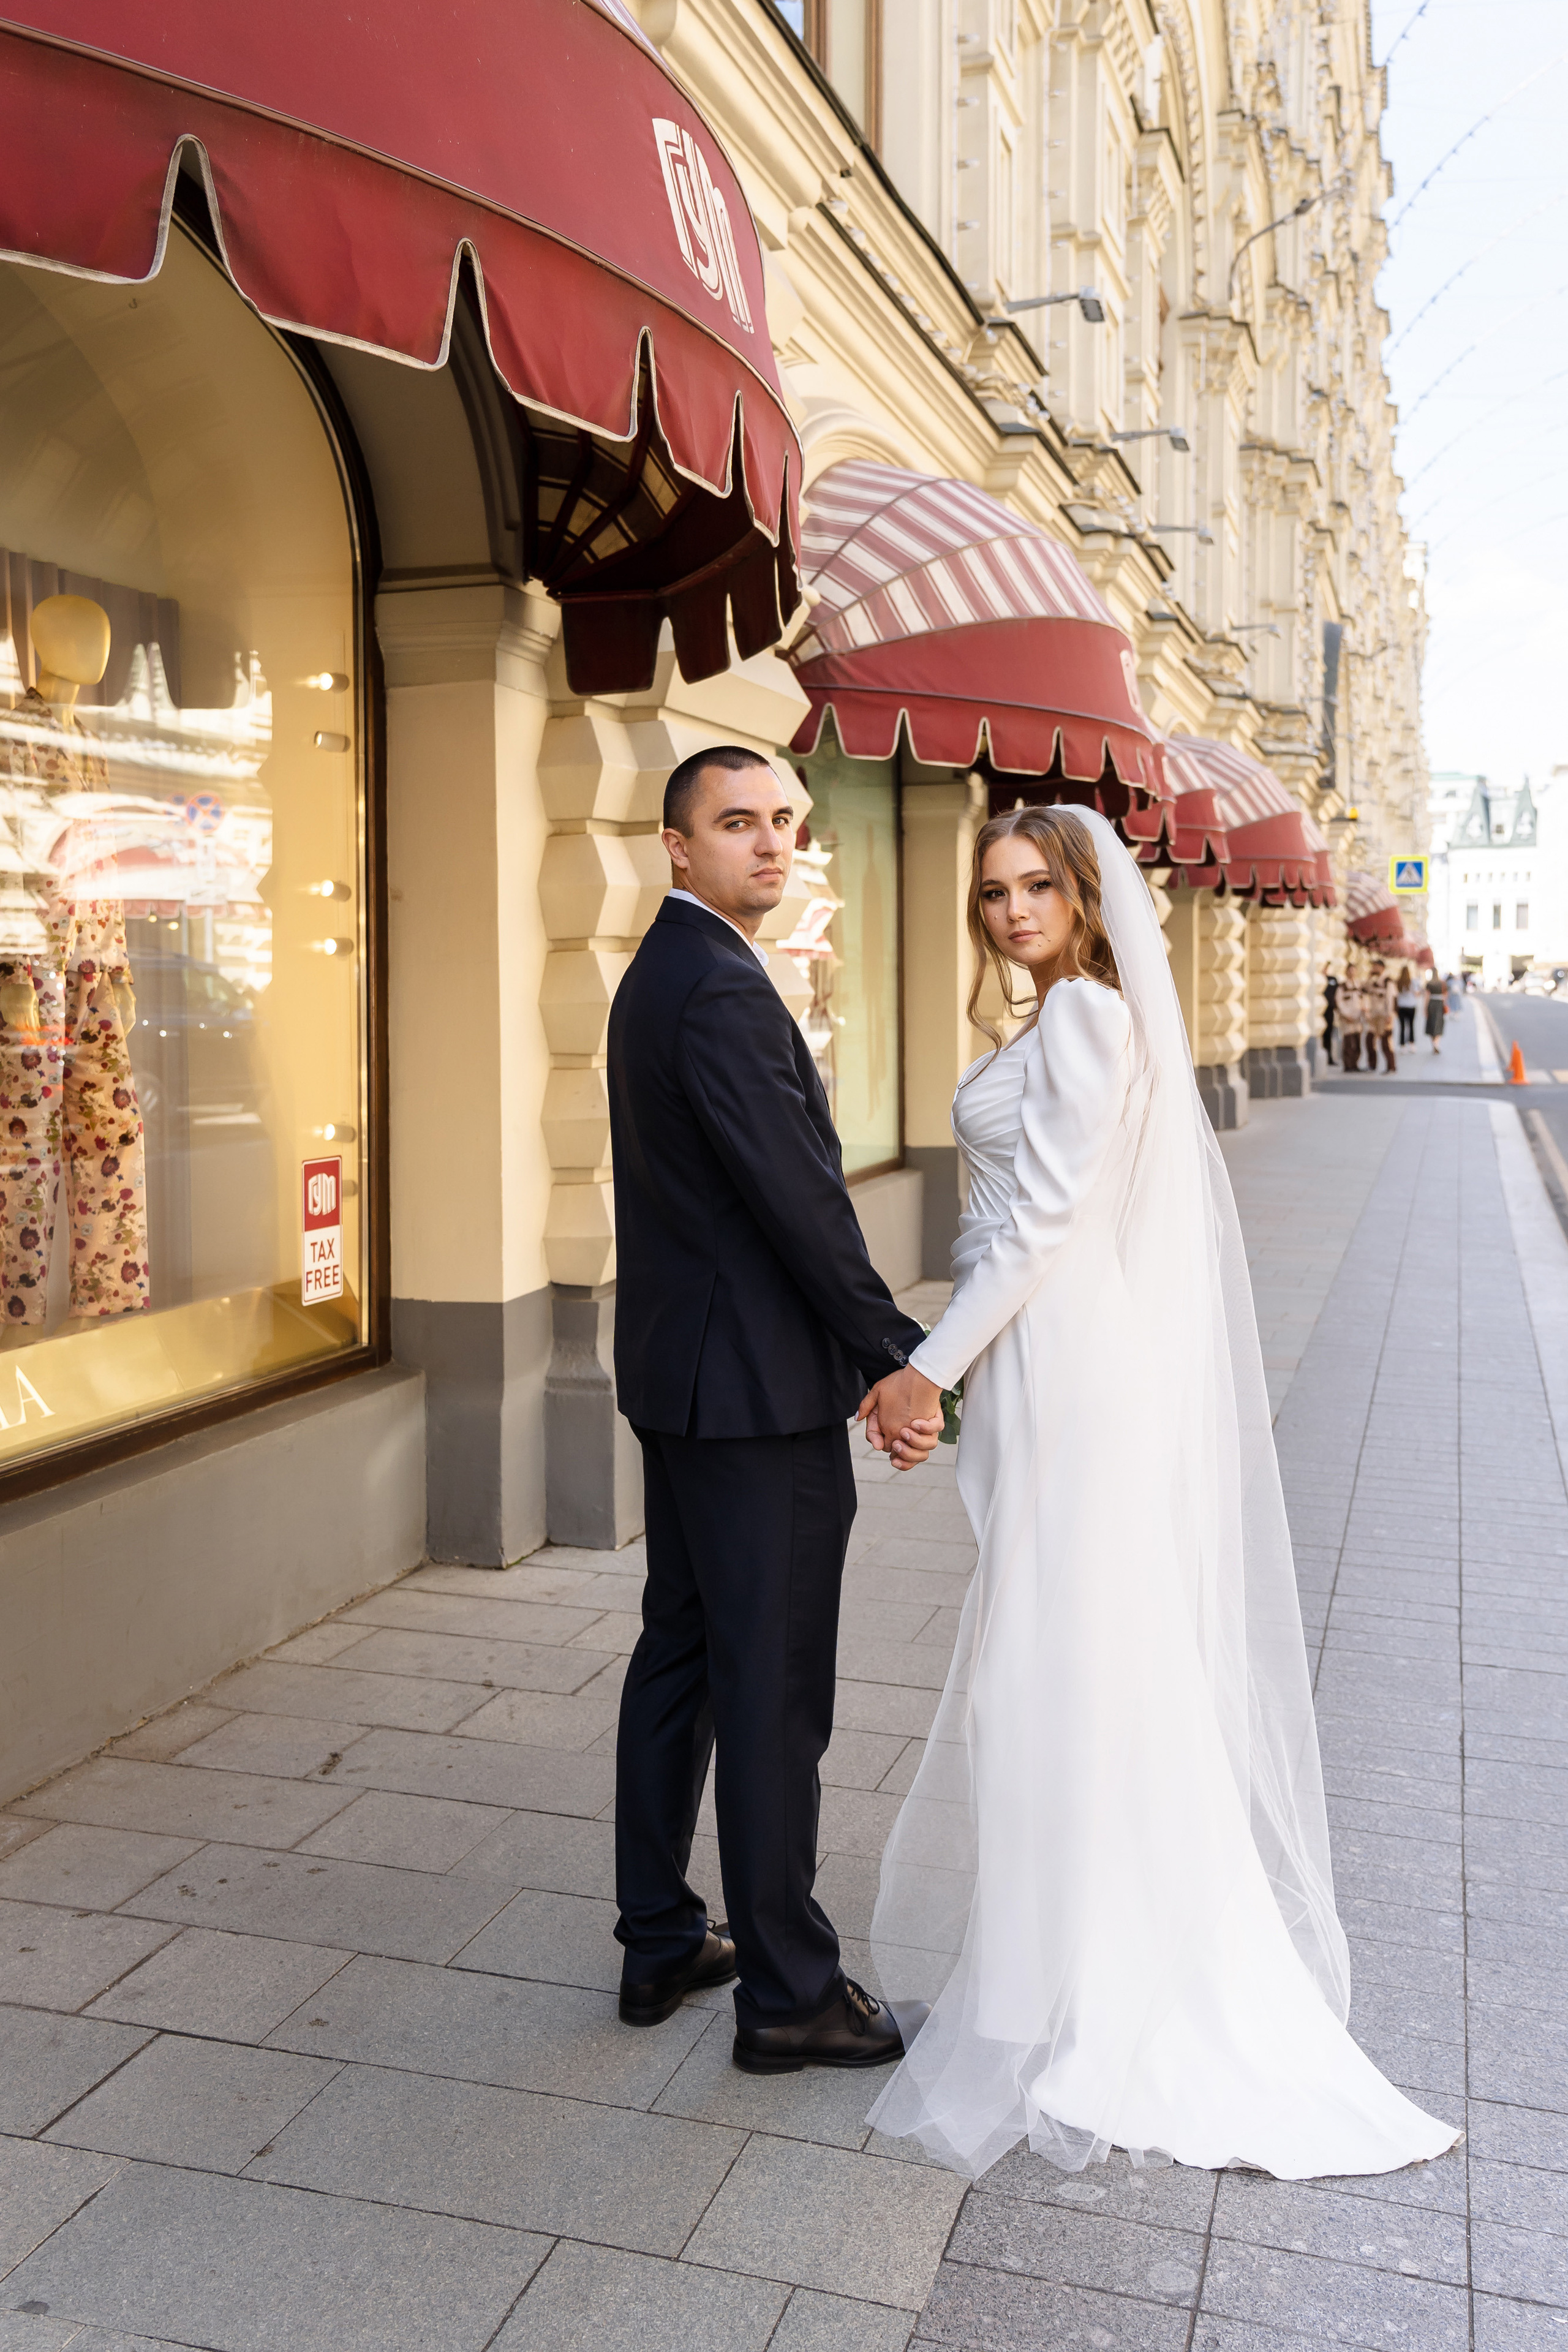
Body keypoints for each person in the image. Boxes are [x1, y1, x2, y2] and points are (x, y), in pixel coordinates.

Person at [856, 805, 1459, 2181]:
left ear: (1080, 900)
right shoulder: (1073, 1018)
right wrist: (956, 1376)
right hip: (1049, 1360)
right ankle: (1062, 1968)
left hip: (1064, 1361)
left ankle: (1066, 1991)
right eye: (991, 891)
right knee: (1073, 1671)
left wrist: (920, 1371)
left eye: (1033, 889)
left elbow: (1044, 1223)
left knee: (1048, 1673)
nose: (1009, 910)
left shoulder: (1079, 1021)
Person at [606, 744, 938, 2074]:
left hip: (689, 1382)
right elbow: (799, 1199)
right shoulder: (719, 990)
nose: (772, 843)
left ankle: (657, 1938)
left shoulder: (669, 970)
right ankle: (789, 1994)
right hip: (750, 1397)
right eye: (736, 823)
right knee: (772, 1688)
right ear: (677, 847)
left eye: (785, 822)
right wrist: (892, 1351)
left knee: (682, 1661)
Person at [1363, 960, 1396, 1073]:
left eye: (1375, 966)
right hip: (1374, 1015)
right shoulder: (1373, 980)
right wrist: (1369, 976)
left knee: (1386, 1042)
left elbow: (1390, 999)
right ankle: (1372, 1065)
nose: (1374, 968)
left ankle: (1391, 1066)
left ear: (1381, 967)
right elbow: (1365, 989)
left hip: (1384, 1015)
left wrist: (1389, 1015)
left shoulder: (1388, 981)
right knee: (1369, 1040)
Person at [1337, 970, 1363, 1071]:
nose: (1352, 973)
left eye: (1354, 970)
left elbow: (1363, 1000)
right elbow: (1339, 1002)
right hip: (1347, 1019)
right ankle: (1348, 1065)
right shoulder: (1343, 986)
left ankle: (1355, 1064)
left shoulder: (1359, 985)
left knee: (1357, 1043)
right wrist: (1347, 1015)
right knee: (1348, 1043)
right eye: (1350, 971)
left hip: (1357, 1019)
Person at [1395, 965, 1418, 1049]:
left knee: (1402, 1027)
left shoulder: (1398, 982)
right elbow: (1416, 994)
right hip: (1411, 1006)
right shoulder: (1412, 982)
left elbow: (1396, 995)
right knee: (1411, 1026)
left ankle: (1402, 1045)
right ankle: (1412, 1044)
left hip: (1402, 1006)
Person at [1425, 968, 1447, 1053]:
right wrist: (1444, 1004)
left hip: (1431, 1004)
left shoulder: (1429, 984)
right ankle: (1436, 1043)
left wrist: (1425, 1008)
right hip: (1439, 1004)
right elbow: (1445, 995)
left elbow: (1427, 997)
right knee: (1438, 1023)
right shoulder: (1442, 983)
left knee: (1431, 1023)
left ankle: (1434, 1043)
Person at [1321, 963, 1339, 1067]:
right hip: (1320, 1012)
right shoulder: (1318, 980)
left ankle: (1329, 1057)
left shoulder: (1332, 979)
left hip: (1329, 1011)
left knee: (1329, 1034)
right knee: (1323, 1035)